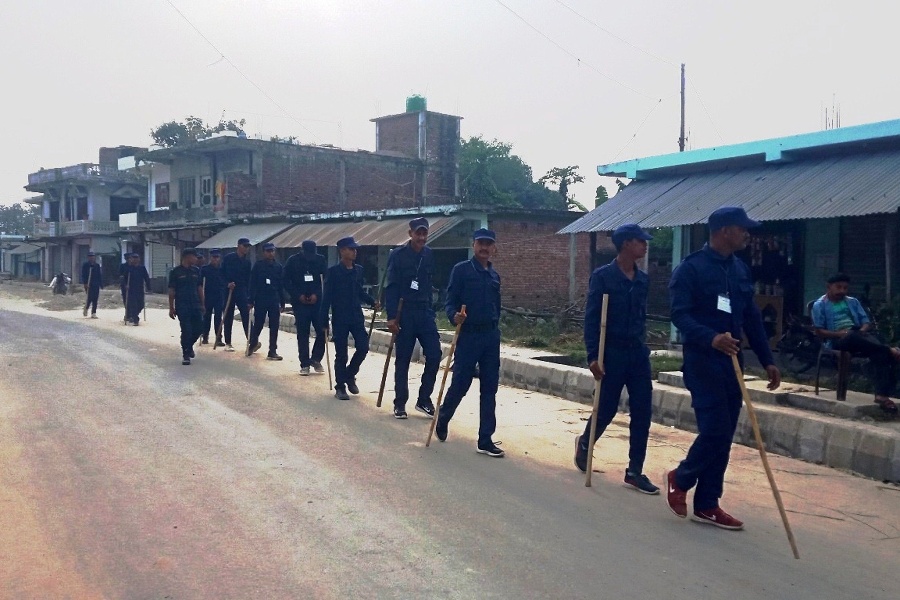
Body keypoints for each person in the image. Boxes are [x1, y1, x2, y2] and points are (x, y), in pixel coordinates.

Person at [665, 206, 781, 530]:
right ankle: (680, 477)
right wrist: (711, 337)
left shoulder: (739, 269)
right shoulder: (691, 269)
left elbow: (751, 317)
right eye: (742, 229)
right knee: (715, 429)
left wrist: (767, 359)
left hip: (733, 364)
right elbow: (680, 315)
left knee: (725, 434)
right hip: (703, 362)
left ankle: (707, 503)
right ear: (724, 230)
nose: (747, 234)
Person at [573, 224, 659, 494]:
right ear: (626, 244)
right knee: (607, 408)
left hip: (637, 353)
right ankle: (585, 443)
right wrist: (592, 356)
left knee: (642, 410)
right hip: (611, 352)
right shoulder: (603, 277)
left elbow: (642, 316)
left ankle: (635, 470)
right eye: (640, 241)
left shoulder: (643, 280)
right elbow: (592, 319)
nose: (645, 245)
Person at [434, 229, 504, 457]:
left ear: (493, 247)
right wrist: (454, 316)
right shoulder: (461, 270)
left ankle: (485, 439)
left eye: (488, 244)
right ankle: (444, 416)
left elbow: (497, 306)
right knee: (461, 383)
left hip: (491, 337)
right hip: (469, 336)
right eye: (480, 243)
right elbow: (450, 301)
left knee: (490, 388)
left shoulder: (494, 276)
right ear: (473, 244)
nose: (484, 247)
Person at [811, 273, 899, 415]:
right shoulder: (819, 305)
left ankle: (881, 396)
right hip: (837, 340)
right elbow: (819, 331)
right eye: (838, 287)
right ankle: (890, 350)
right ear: (829, 287)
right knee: (853, 336)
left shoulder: (852, 302)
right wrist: (840, 334)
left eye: (845, 288)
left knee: (879, 352)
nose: (842, 291)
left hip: (858, 337)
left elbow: (866, 322)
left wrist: (862, 330)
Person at [384, 217, 441, 419]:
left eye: (424, 233)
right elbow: (391, 287)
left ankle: (424, 399)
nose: (422, 237)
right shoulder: (398, 255)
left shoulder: (429, 254)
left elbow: (429, 282)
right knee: (403, 359)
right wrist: (391, 317)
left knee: (435, 354)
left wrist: (431, 309)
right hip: (404, 312)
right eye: (418, 233)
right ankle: (400, 403)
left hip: (424, 312)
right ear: (410, 234)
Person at [320, 236, 379, 400]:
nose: (354, 252)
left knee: (363, 347)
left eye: (355, 249)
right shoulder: (333, 272)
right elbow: (326, 298)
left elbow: (359, 290)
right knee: (341, 354)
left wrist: (372, 301)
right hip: (340, 317)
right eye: (351, 249)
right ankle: (340, 386)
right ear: (342, 251)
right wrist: (323, 320)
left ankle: (350, 374)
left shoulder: (358, 270)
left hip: (356, 316)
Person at [284, 240, 328, 375]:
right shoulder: (293, 261)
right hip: (300, 303)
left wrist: (317, 294)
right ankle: (304, 363)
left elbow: (325, 281)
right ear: (302, 251)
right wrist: (298, 295)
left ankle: (316, 358)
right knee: (303, 333)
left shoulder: (320, 260)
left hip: (317, 303)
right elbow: (285, 280)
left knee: (323, 330)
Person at [247, 242, 285, 360]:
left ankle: (272, 350)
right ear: (264, 253)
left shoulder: (278, 267)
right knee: (259, 323)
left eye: (272, 251)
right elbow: (252, 284)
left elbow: (280, 285)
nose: (270, 253)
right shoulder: (258, 266)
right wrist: (250, 300)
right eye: (268, 251)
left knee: (274, 325)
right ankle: (253, 343)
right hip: (261, 298)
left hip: (274, 299)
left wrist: (282, 301)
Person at [168, 248, 205, 365]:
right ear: (187, 257)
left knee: (199, 328)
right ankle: (186, 354)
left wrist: (203, 304)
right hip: (182, 305)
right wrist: (171, 307)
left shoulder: (196, 270)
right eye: (194, 256)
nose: (196, 259)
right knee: (186, 330)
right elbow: (172, 290)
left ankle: (188, 346)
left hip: (195, 304)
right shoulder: (175, 272)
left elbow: (199, 288)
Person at [221, 237, 253, 352]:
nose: (247, 248)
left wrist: (250, 296)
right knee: (228, 315)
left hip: (241, 290)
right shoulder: (228, 258)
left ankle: (252, 340)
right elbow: (221, 274)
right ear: (239, 246)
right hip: (229, 290)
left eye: (248, 246)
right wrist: (227, 284)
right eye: (245, 246)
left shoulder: (247, 262)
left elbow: (248, 280)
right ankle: (228, 342)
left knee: (246, 314)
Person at [199, 248, 227, 347]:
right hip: (207, 296)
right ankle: (205, 336)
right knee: (206, 316)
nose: (215, 259)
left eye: (217, 257)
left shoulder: (222, 270)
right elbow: (200, 283)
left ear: (219, 258)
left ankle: (218, 338)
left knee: (218, 317)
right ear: (210, 258)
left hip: (219, 296)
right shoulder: (205, 269)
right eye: (214, 257)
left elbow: (225, 282)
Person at [121, 253, 151, 326]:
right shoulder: (129, 268)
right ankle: (135, 319)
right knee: (133, 304)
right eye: (133, 258)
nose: (135, 260)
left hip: (140, 289)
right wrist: (125, 285)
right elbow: (123, 278)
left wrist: (149, 287)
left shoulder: (142, 268)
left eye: (136, 258)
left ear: (139, 259)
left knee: (141, 304)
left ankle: (133, 315)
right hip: (131, 289)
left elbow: (146, 278)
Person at [81, 251, 102, 319]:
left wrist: (101, 284)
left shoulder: (97, 265)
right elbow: (83, 275)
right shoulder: (85, 265)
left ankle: (93, 313)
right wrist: (85, 283)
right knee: (89, 298)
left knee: (95, 298)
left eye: (93, 256)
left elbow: (99, 275)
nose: (91, 258)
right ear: (88, 257)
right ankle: (86, 308)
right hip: (89, 284)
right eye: (90, 256)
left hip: (96, 284)